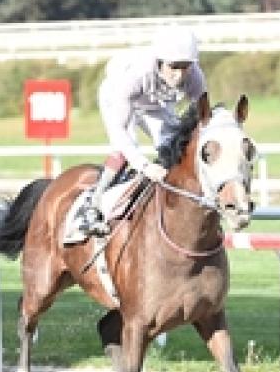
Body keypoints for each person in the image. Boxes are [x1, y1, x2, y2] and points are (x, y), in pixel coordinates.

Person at [65, 25, 207, 245]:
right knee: (124, 151)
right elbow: (120, 130)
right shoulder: (135, 76)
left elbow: (203, 121)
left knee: (174, 147)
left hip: (155, 104)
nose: (180, 75)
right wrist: (143, 165)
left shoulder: (196, 77)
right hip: (119, 98)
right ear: (160, 61)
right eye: (174, 67)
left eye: (185, 67)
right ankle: (90, 207)